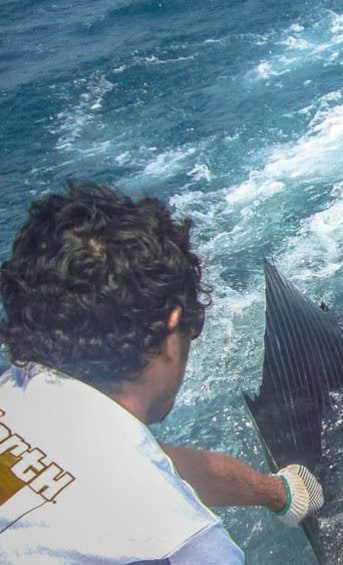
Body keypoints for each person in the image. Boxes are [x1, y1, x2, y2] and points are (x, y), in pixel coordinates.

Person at [0, 182, 323, 563]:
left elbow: (134, 466)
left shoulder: (17, 396)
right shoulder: (181, 545)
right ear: (171, 325)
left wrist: (278, 492)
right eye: (194, 324)